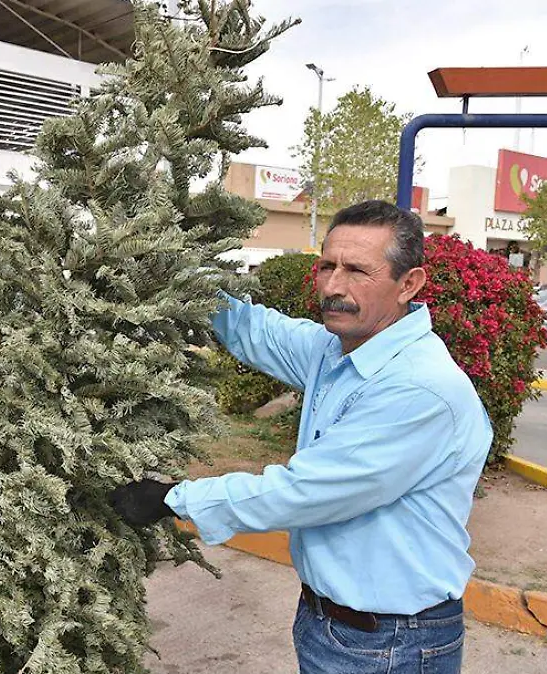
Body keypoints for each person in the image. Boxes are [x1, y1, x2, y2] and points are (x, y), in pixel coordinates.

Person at [111, 200, 492, 674]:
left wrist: (172, 499)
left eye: (357, 271)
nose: (334, 287)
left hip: (391, 644)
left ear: (408, 284)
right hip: (331, 622)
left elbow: (304, 492)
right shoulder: (338, 349)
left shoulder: (418, 388)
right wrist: (167, 261)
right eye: (327, 266)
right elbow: (255, 330)